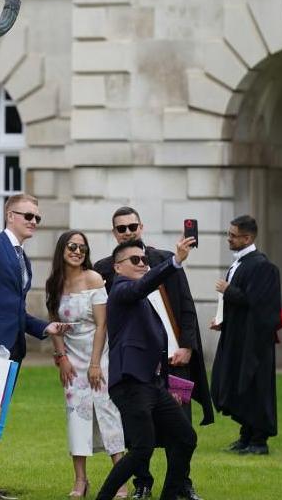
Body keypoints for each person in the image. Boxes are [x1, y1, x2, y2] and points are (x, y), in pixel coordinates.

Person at [93, 207, 212, 500]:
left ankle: (172, 492)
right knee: (142, 447)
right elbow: (144, 285)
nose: (142, 263)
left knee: (186, 437)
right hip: (130, 384)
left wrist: (179, 356)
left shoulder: (141, 298)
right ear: (117, 267)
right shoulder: (121, 290)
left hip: (152, 382)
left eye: (145, 259)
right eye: (135, 260)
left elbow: (162, 332)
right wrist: (175, 261)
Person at [0, 193, 72, 500]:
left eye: (37, 217)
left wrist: (44, 328)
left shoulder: (21, 257)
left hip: (12, 349)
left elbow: (15, 310)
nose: (34, 222)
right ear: (11, 216)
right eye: (28, 216)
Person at [44, 230, 130, 499]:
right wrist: (62, 359)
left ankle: (120, 480)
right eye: (72, 246)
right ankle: (80, 480)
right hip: (70, 359)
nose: (77, 251)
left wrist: (95, 364)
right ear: (62, 249)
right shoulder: (53, 284)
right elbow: (54, 326)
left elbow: (103, 324)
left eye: (82, 248)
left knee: (108, 412)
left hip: (97, 355)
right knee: (76, 415)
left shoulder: (93, 278)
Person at [209, 215, 282, 455]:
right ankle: (246, 435)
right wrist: (223, 320)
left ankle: (259, 440)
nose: (228, 239)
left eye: (232, 235)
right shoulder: (240, 263)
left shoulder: (262, 266)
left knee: (254, 386)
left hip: (255, 342)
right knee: (235, 383)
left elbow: (259, 303)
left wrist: (228, 290)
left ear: (247, 238)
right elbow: (242, 304)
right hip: (237, 337)